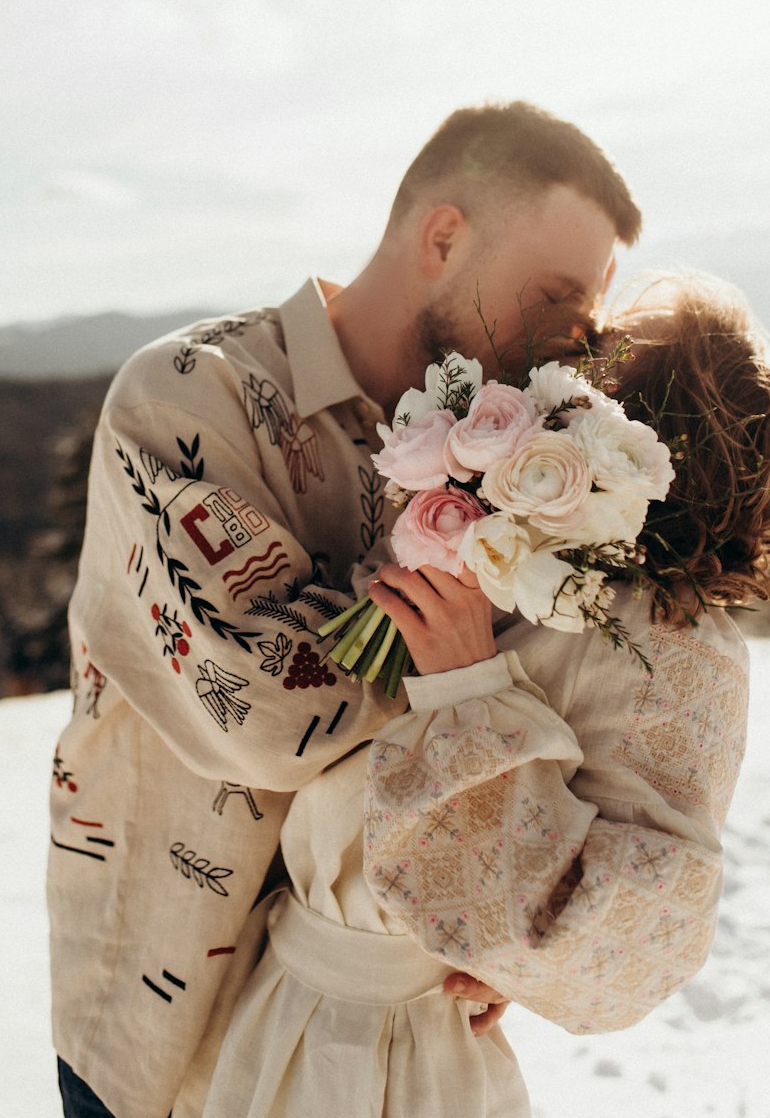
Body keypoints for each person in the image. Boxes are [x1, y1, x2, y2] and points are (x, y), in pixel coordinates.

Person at [48, 101, 642, 1117]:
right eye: (553, 296)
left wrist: (497, 920)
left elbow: (538, 710)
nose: (570, 339)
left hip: (386, 1039)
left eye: (585, 313)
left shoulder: (514, 456)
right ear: (443, 238)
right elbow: (272, 715)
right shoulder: (189, 396)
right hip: (172, 1020)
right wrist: (458, 606)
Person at [197, 274, 770, 1118]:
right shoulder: (497, 546)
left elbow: (639, 918)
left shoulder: (680, 647)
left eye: (594, 367)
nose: (560, 376)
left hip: (399, 1056)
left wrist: (468, 688)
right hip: (275, 1004)